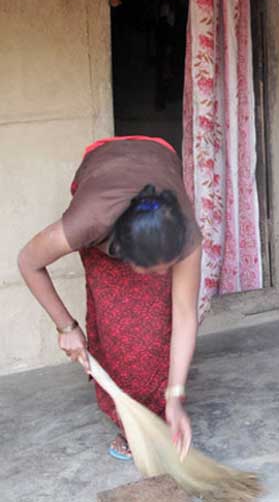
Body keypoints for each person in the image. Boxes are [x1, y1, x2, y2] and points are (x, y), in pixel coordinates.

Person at [18, 136, 202, 461]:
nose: (160, 278)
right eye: (150, 270)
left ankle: (159, 412)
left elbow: (185, 313)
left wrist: (175, 395)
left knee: (157, 322)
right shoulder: (86, 223)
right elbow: (28, 262)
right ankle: (129, 423)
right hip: (102, 169)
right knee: (117, 326)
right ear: (120, 252)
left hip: (157, 157)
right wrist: (66, 327)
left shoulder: (184, 233)